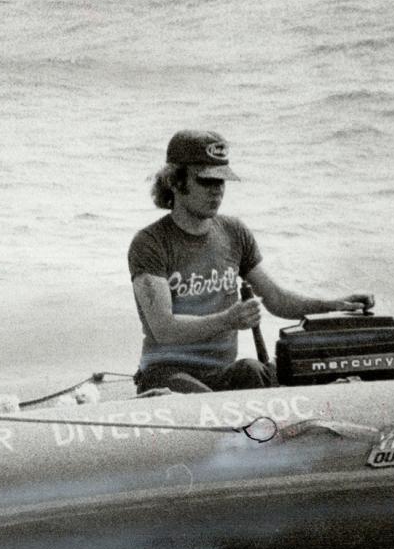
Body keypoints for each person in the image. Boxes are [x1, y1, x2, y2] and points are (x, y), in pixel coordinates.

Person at [127, 129, 375, 394]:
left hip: (219, 372)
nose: (217, 192)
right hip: (165, 374)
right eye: (206, 182)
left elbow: (277, 300)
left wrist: (334, 304)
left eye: (221, 182)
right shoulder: (149, 243)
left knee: (254, 370)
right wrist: (228, 319)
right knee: (202, 396)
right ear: (175, 182)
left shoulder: (234, 232)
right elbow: (164, 328)